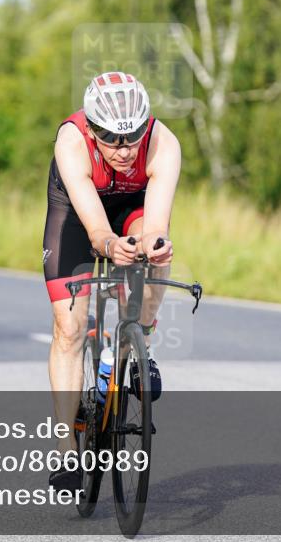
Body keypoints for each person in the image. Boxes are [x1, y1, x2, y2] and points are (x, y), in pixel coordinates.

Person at [43, 72, 181, 491]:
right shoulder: (71, 141)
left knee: (156, 254)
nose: (123, 150)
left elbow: (155, 222)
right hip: (78, 212)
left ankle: (139, 344)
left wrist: (152, 244)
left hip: (133, 206)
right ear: (92, 128)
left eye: (132, 137)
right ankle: (67, 447)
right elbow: (95, 230)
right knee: (70, 329)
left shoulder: (164, 143)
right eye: (111, 138)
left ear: (145, 125)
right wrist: (107, 244)